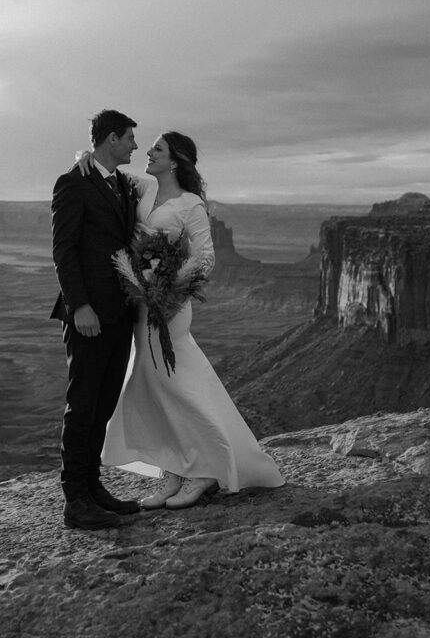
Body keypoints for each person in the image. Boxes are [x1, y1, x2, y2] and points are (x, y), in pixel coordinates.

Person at [78, 131, 284, 509]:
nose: (148, 153)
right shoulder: (143, 188)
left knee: (175, 382)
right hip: (139, 304)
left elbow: (205, 257)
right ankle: (174, 468)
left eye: (157, 149)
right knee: (150, 383)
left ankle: (205, 469)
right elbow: (102, 167)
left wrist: (171, 290)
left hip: (169, 306)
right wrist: (83, 157)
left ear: (174, 161)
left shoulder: (191, 204)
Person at [51, 108, 142, 531]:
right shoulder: (73, 184)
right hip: (88, 314)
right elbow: (64, 251)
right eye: (129, 139)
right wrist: (80, 305)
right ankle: (76, 501)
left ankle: (93, 487)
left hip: (120, 313)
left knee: (104, 403)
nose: (135, 147)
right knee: (82, 404)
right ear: (110, 140)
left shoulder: (123, 183)